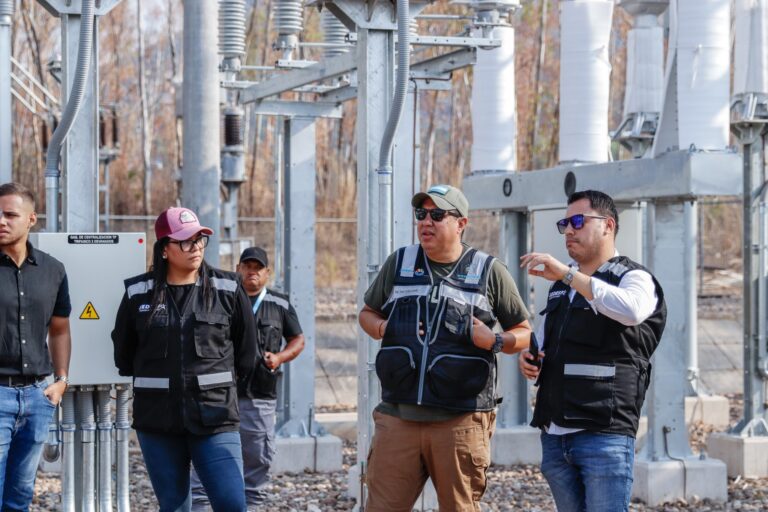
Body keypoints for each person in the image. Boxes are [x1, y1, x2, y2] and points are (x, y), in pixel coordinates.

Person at [358, 184, 532, 511]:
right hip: (398, 416)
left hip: (461, 420)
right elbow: (367, 313)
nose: (426, 221)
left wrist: (494, 340)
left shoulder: (488, 271)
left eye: (437, 214)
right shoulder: (400, 264)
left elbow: (523, 333)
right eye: (421, 214)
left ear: (461, 223)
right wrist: (385, 328)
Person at [518, 190, 667, 512]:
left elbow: (631, 311)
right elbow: (543, 343)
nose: (569, 230)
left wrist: (569, 275)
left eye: (578, 221)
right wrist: (530, 359)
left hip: (604, 434)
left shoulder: (634, 277)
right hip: (555, 434)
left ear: (608, 225)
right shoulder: (560, 288)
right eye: (564, 224)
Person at [112, 206, 258, 512]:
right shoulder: (138, 293)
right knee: (174, 506)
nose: (195, 248)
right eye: (185, 241)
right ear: (164, 249)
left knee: (232, 504)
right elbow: (123, 354)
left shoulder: (229, 289)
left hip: (215, 418)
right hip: (157, 423)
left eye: (199, 239)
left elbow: (247, 355)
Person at [192, 246, 305, 509]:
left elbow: (298, 339)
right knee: (207, 452)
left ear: (267, 273)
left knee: (257, 456)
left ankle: (253, 504)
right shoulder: (222, 298)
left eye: (258, 268)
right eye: (247, 266)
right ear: (238, 269)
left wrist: (279, 358)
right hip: (218, 393)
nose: (252, 272)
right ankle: (200, 504)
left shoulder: (280, 303)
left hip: (259, 394)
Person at [0, 182, 72, 510]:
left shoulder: (53, 270)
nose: (1, 221)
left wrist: (60, 381)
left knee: (20, 493)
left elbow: (59, 330)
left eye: (9, 214)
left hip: (37, 397)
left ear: (31, 219)